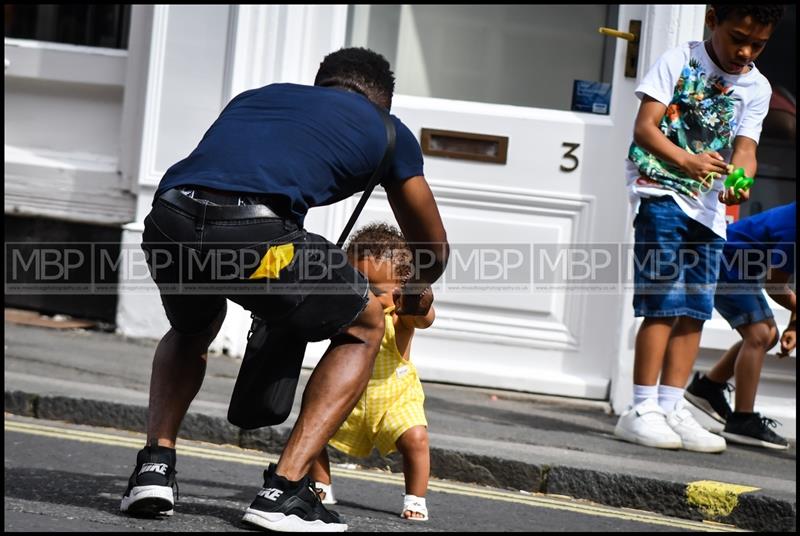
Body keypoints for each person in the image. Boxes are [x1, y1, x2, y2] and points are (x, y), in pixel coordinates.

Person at [119, 47, 449, 532]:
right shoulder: (388, 132)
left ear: (322, 85)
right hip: (255, 236)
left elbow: (224, 173)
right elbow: (433, 247)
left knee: (192, 325)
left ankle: (154, 467)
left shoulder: (257, 99)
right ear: (383, 102)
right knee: (363, 320)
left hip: (170, 222)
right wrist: (414, 288)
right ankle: (283, 491)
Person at [614, 4, 784, 453]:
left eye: (758, 43)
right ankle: (641, 408)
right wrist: (687, 160)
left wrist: (740, 181)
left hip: (709, 212)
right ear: (712, 20)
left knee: (694, 309)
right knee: (663, 302)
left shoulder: (757, 87)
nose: (745, 51)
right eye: (738, 38)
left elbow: (746, 150)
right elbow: (645, 129)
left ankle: (671, 406)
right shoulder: (679, 60)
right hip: (663, 193)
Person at [309, 222, 434, 521]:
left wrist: (420, 301)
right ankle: (320, 483)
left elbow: (424, 318)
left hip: (393, 396)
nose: (364, 295)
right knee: (310, 430)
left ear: (399, 292)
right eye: (355, 283)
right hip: (346, 391)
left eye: (375, 290)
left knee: (416, 439)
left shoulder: (401, 318)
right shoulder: (344, 310)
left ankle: (416, 498)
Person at [685, 201, 795, 450]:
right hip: (723, 261)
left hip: (739, 267)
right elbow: (776, 284)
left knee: (769, 336)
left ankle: (708, 387)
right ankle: (743, 419)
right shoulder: (794, 229)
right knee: (759, 334)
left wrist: (793, 327)